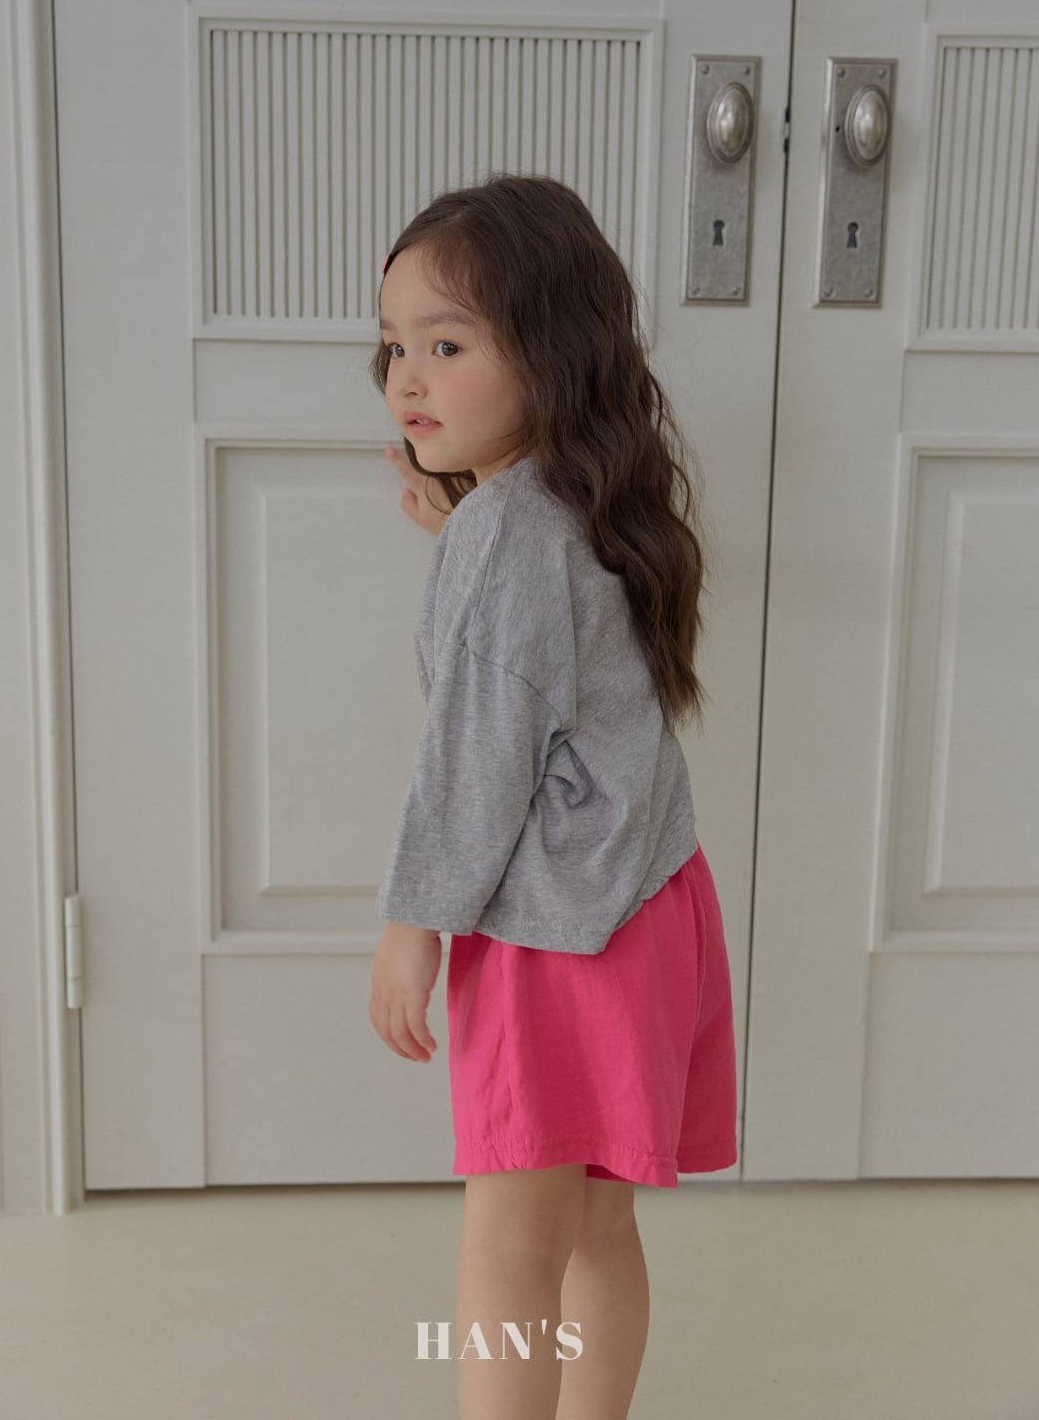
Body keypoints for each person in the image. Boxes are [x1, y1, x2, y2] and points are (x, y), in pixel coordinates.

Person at [368, 174, 737, 1420]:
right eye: (395, 347)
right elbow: (555, 656)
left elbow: (476, 756)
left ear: (552, 351)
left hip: (558, 940)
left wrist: (415, 922)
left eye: (448, 345)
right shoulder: (597, 498)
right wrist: (467, 532)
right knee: (595, 1228)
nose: (407, 379)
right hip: (651, 907)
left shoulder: (506, 537)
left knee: (509, 1251)